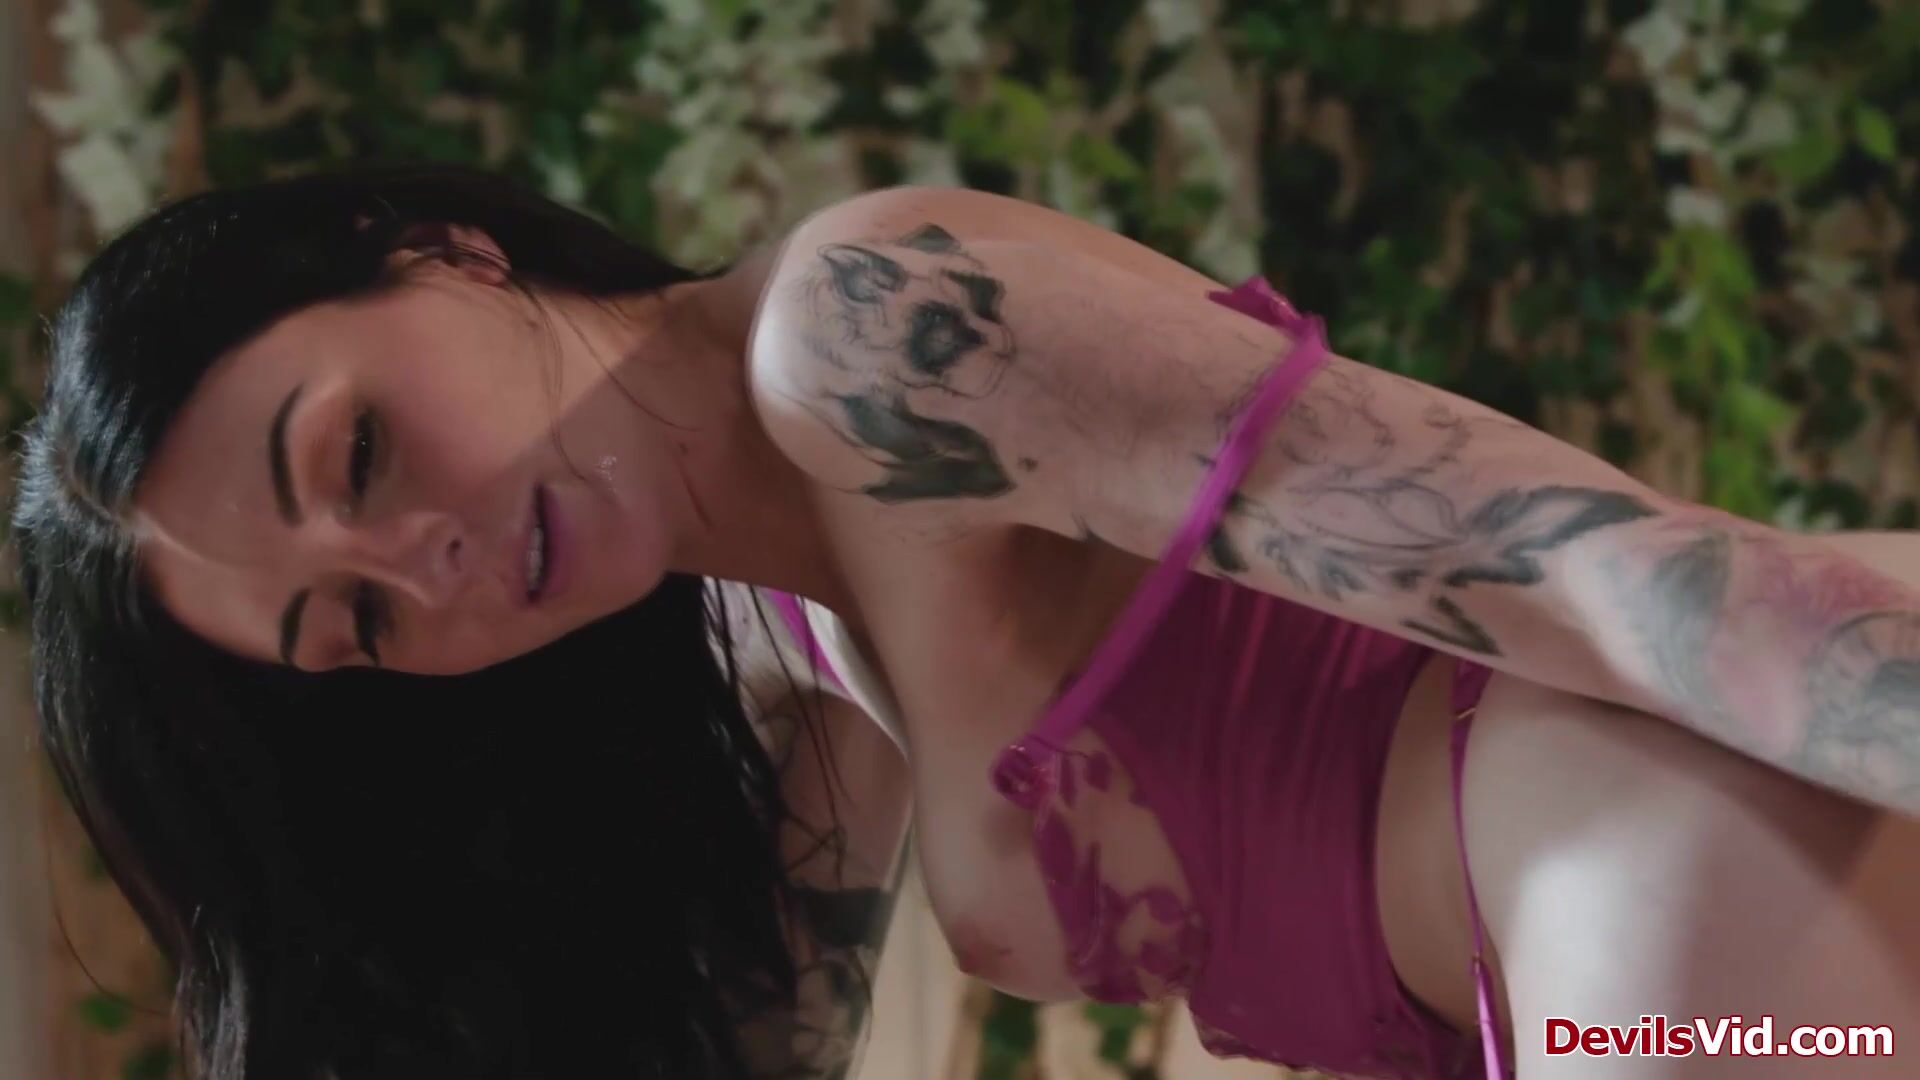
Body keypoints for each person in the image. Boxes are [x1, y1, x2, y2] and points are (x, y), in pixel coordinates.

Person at [11, 162, 1918, 1080]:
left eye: (354, 453)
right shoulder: (762, 647)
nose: (420, 561)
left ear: (434, 252)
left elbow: (1603, 573)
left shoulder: (866, 335)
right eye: (353, 626)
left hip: (1641, 883)